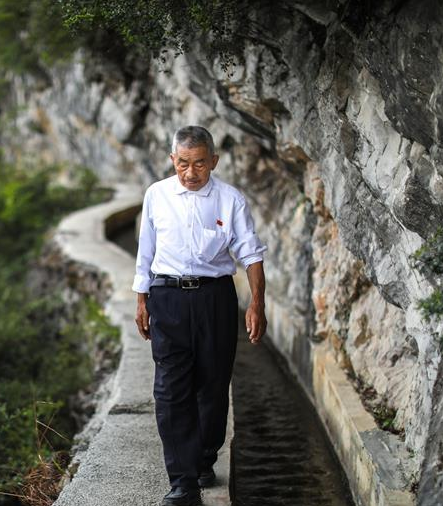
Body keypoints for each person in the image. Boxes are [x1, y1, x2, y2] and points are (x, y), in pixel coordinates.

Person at [133, 125, 268, 506]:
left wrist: (257, 304)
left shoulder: (230, 199)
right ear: (172, 160)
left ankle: (205, 457)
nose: (190, 173)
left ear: (214, 161)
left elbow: (251, 255)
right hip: (167, 298)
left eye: (199, 164)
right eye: (183, 164)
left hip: (215, 299)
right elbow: (146, 250)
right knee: (169, 390)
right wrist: (141, 300)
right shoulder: (157, 195)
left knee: (212, 385)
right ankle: (183, 482)